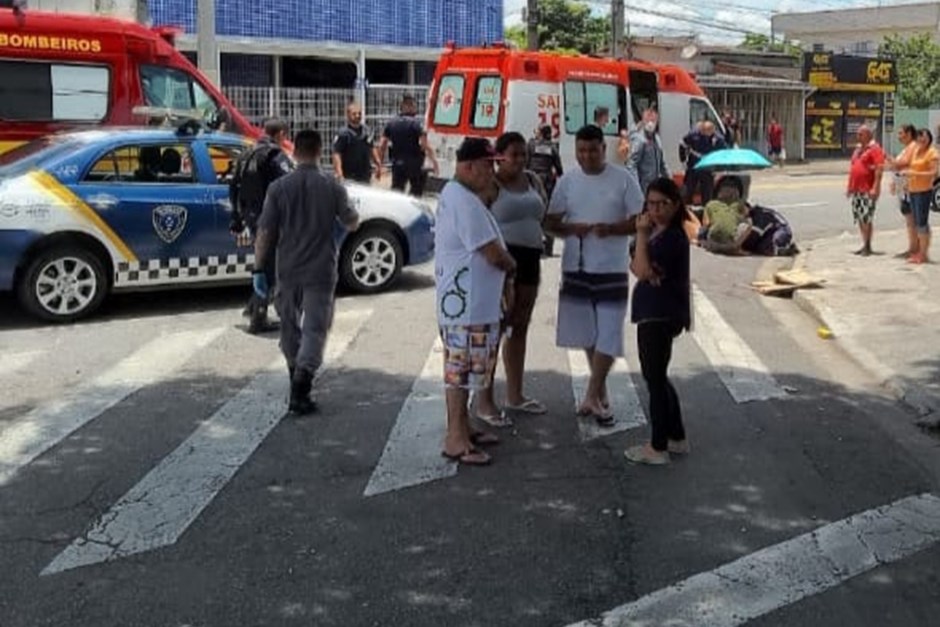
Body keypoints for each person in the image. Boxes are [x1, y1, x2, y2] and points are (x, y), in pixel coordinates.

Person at [252, 130, 361, 415]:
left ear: (295, 151)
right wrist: (351, 215)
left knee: (289, 325)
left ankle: (294, 375)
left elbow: (265, 231)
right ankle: (302, 385)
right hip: (321, 269)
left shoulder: (278, 188)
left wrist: (258, 268)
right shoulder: (332, 185)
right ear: (319, 151)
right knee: (315, 328)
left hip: (287, 268)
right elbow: (351, 222)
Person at [544, 124, 644, 425]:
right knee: (588, 333)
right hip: (577, 265)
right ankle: (599, 395)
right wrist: (570, 229)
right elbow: (549, 221)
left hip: (611, 266)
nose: (586, 156)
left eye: (592, 150)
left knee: (610, 331)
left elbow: (640, 218)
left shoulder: (623, 179)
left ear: (604, 149)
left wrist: (612, 229)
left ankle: (591, 393)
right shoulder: (567, 181)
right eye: (581, 150)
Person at [435, 137, 517, 466]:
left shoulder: (462, 195)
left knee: (468, 371)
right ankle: (455, 438)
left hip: (470, 303)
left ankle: (463, 426)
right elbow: (492, 252)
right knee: (460, 372)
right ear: (469, 166)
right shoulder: (463, 200)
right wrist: (512, 267)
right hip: (466, 305)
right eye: (488, 165)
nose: (492, 171)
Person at [474, 132, 550, 427]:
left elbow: (543, 213)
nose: (519, 160)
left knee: (520, 327)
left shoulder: (533, 180)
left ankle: (515, 395)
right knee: (495, 329)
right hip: (502, 263)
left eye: (522, 154)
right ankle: (484, 401)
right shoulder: (490, 185)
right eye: (513, 154)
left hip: (531, 260)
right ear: (500, 155)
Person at [624, 177, 692, 466]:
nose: (655, 210)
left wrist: (640, 236)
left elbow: (640, 269)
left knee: (654, 379)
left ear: (675, 205)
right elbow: (637, 264)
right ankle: (676, 436)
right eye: (650, 204)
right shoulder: (657, 232)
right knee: (659, 377)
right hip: (653, 309)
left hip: (660, 313)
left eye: (662, 204)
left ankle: (658, 445)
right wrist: (642, 251)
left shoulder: (672, 238)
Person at [229, 118, 294, 334]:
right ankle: (258, 318)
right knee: (268, 267)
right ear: (281, 134)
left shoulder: (248, 153)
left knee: (264, 262)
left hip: (251, 215)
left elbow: (233, 186)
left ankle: (253, 308)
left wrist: (237, 217)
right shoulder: (275, 155)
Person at [378, 95, 439, 196]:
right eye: (414, 106)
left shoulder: (391, 123)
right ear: (408, 106)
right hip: (414, 164)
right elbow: (425, 145)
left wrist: (379, 164)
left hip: (397, 163)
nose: (415, 109)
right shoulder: (416, 124)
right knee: (416, 191)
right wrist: (434, 161)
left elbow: (382, 145)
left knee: (397, 191)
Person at [845, 125, 885, 256]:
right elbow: (853, 168)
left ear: (868, 135)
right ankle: (864, 244)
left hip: (867, 189)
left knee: (866, 217)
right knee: (860, 218)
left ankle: (868, 246)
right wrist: (850, 187)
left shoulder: (875, 149)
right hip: (857, 189)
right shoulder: (858, 150)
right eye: (858, 134)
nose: (858, 136)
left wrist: (876, 187)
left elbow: (879, 169)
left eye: (861, 134)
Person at [901, 128, 939, 264]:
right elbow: (912, 168)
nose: (921, 140)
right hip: (913, 190)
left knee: (922, 223)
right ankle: (919, 253)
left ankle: (923, 255)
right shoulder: (916, 152)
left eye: (924, 137)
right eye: (919, 137)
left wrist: (915, 174)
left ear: (929, 138)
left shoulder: (932, 153)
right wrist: (907, 181)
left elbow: (934, 173)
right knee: (917, 222)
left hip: (924, 191)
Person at [526, 124, 564, 256]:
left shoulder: (530, 145)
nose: (535, 133)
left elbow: (525, 164)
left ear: (541, 133)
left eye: (536, 131)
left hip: (531, 182)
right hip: (547, 184)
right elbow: (559, 169)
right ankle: (548, 248)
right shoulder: (552, 148)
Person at [883, 124, 920, 259]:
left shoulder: (913, 148)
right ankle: (913, 248)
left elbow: (902, 165)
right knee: (910, 220)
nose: (899, 136)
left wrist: (888, 158)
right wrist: (894, 182)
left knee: (912, 220)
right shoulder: (908, 149)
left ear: (909, 133)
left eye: (901, 133)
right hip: (904, 189)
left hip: (911, 189)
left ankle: (915, 249)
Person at [331, 101, 383, 184]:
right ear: (348, 115)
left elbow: (372, 147)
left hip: (365, 175)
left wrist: (378, 164)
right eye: (354, 114)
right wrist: (339, 173)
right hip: (349, 176)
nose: (357, 116)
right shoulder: (343, 133)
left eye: (359, 113)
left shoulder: (366, 131)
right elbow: (336, 154)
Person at [700, 175, 749, 255]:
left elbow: (706, 224)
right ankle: (736, 248)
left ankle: (718, 247)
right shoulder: (739, 205)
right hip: (731, 244)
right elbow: (747, 215)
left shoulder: (710, 204)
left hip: (712, 243)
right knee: (748, 223)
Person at [680, 120, 726, 205]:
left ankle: (706, 212)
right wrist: (683, 160)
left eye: (708, 131)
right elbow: (682, 145)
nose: (705, 133)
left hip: (707, 168)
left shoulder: (718, 139)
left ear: (712, 130)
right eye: (704, 131)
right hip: (693, 166)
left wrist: (719, 170)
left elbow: (723, 155)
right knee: (687, 191)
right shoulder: (693, 135)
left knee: (707, 194)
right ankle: (685, 210)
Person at [627, 107, 670, 193]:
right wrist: (636, 186)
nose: (650, 123)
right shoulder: (640, 140)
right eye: (648, 120)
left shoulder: (657, 140)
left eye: (653, 120)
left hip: (655, 185)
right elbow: (631, 164)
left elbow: (662, 163)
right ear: (643, 121)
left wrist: (669, 180)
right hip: (643, 186)